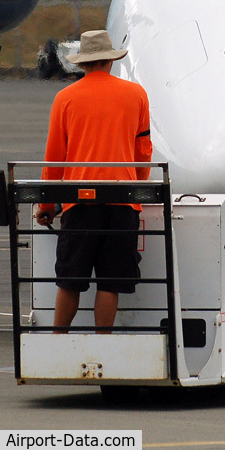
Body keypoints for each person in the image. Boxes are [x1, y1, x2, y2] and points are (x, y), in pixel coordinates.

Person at [35, 30, 152, 332]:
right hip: (122, 200)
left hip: (80, 202)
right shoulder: (136, 94)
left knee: (70, 281)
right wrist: (136, 190)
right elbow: (143, 152)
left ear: (83, 64)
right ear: (110, 61)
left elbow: (54, 159)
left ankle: (58, 340)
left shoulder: (65, 98)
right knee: (110, 282)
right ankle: (103, 342)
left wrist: (47, 204)